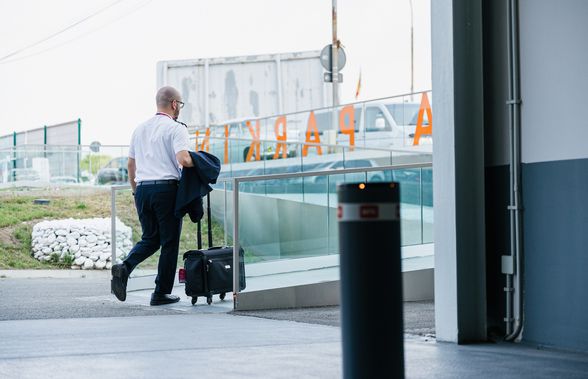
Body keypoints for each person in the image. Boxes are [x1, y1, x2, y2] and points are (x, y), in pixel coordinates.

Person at [111, 86, 194, 306]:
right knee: (169, 242)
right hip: (166, 190)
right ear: (175, 104)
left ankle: (124, 268)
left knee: (151, 238)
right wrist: (203, 163)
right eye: (180, 105)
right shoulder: (176, 129)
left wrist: (136, 191)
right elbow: (184, 159)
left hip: (143, 190)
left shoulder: (140, 129)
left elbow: (131, 164)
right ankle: (161, 293)